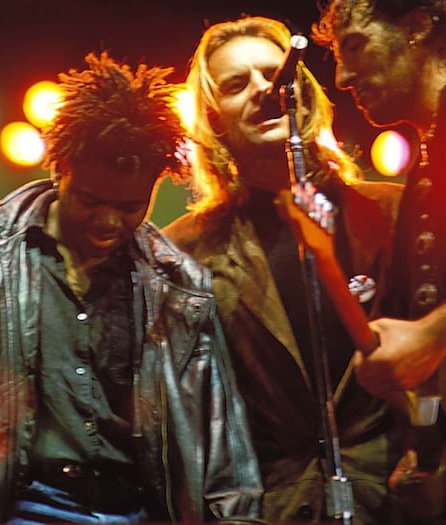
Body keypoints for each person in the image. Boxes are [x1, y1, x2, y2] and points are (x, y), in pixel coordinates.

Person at [0, 51, 262, 524]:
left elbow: (220, 441)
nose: (109, 222)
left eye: (131, 206)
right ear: (60, 168)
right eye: (91, 201)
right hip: (25, 509)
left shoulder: (180, 282)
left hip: (138, 510)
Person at [162, 16, 405, 524]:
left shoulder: (397, 213)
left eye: (275, 75)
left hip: (402, 499)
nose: (263, 90)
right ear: (214, 119)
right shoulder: (184, 252)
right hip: (273, 508)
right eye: (236, 84)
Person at [314, 0, 446, 519]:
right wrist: (427, 449)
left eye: (355, 45)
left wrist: (433, 336)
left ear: (418, 26)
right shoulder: (426, 154)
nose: (343, 77)